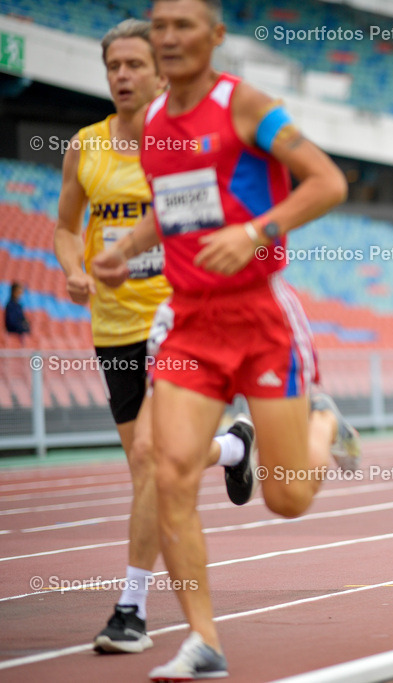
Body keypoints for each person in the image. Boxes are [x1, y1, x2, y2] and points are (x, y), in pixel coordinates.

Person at [92, 0, 355, 678]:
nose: (169, 37)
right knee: (169, 470)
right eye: (160, 26)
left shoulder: (247, 106)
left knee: (286, 498)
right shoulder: (154, 122)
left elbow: (328, 181)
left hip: (259, 317)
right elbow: (170, 209)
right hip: (190, 323)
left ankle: (324, 423)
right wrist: (124, 250)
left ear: (215, 36)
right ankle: (203, 639)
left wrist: (255, 232)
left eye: (184, 26)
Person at [52, 19, 259, 656]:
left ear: (160, 72)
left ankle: (130, 610)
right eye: (113, 66)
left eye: (134, 65)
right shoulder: (85, 147)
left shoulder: (183, 142)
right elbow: (66, 227)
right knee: (152, 467)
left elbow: (206, 219)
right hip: (112, 326)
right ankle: (232, 447)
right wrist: (74, 269)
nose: (122, 76)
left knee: (150, 461)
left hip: (176, 317)